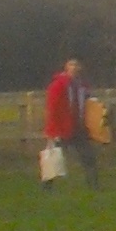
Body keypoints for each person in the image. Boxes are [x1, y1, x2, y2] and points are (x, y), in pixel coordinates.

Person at [41, 57, 99, 190]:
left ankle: (94, 185)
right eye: (71, 65)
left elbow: (89, 103)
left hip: (78, 127)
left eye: (76, 65)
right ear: (66, 67)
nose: (74, 67)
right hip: (62, 128)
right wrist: (52, 131)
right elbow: (52, 107)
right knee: (54, 157)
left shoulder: (82, 86)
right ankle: (47, 186)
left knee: (88, 156)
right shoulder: (58, 85)